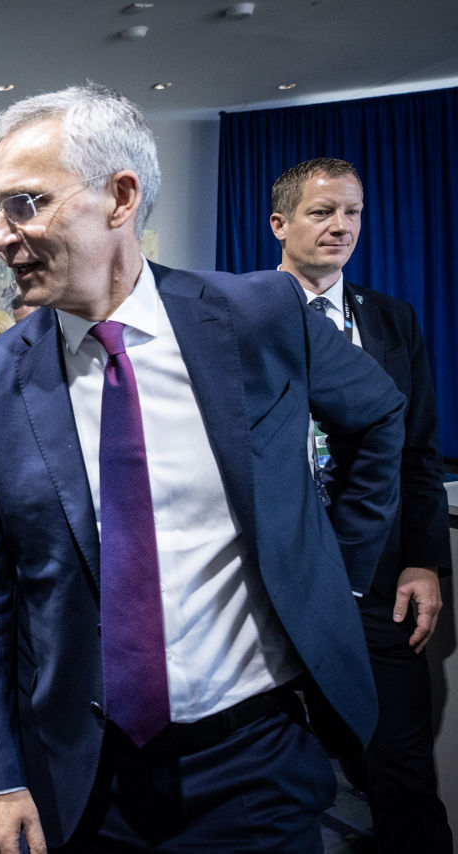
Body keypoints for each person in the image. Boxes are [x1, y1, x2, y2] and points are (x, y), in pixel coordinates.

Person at [0, 83, 406, 853]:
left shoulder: (259, 315)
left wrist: (333, 569)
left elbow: (379, 416)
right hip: (87, 776)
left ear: (120, 198)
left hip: (255, 756)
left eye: (24, 204)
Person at [270, 157, 452, 852]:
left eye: (352, 212)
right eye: (322, 212)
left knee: (398, 763)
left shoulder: (392, 319)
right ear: (280, 223)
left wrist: (425, 563)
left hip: (376, 581)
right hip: (276, 573)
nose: (340, 226)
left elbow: (418, 450)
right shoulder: (238, 320)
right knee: (278, 768)